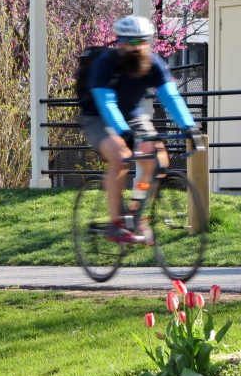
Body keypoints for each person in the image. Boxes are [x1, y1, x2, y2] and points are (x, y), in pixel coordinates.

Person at [78, 15, 203, 244]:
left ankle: (137, 214)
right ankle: (117, 222)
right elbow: (106, 103)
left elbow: (170, 96)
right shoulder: (105, 63)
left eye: (142, 42)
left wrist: (189, 127)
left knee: (158, 161)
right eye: (131, 42)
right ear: (120, 43)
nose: (137, 47)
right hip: (97, 116)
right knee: (121, 156)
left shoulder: (154, 64)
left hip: (133, 115)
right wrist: (121, 132)